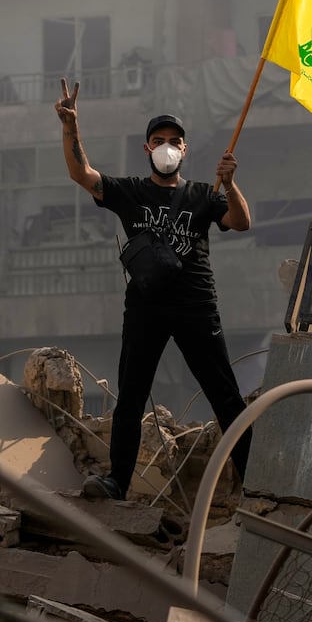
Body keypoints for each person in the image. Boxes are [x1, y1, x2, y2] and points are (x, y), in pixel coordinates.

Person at [54, 79, 254, 501]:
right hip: (145, 308)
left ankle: (256, 482)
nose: (167, 147)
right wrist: (71, 127)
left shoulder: (204, 193)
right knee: (131, 397)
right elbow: (81, 174)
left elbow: (241, 222)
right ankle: (117, 483)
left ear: (184, 150)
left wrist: (231, 183)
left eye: (174, 141)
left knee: (226, 397)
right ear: (147, 149)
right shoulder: (130, 191)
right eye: (158, 140)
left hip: (197, 307)